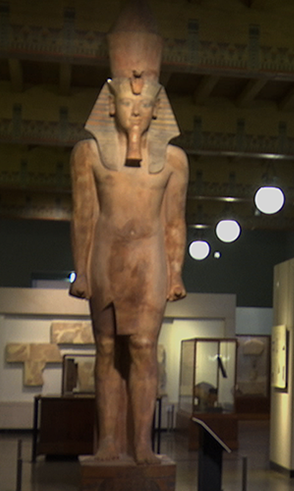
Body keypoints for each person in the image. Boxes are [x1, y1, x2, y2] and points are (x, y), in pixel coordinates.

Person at [69, 1, 188, 465]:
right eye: (126, 101)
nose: (135, 110)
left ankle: (141, 444)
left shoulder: (173, 160)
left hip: (149, 261)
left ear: (158, 106)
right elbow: (84, 216)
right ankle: (108, 444)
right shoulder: (88, 154)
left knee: (143, 348)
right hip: (106, 258)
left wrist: (175, 272)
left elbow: (174, 222)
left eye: (144, 103)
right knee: (104, 349)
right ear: (110, 102)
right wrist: (81, 271)